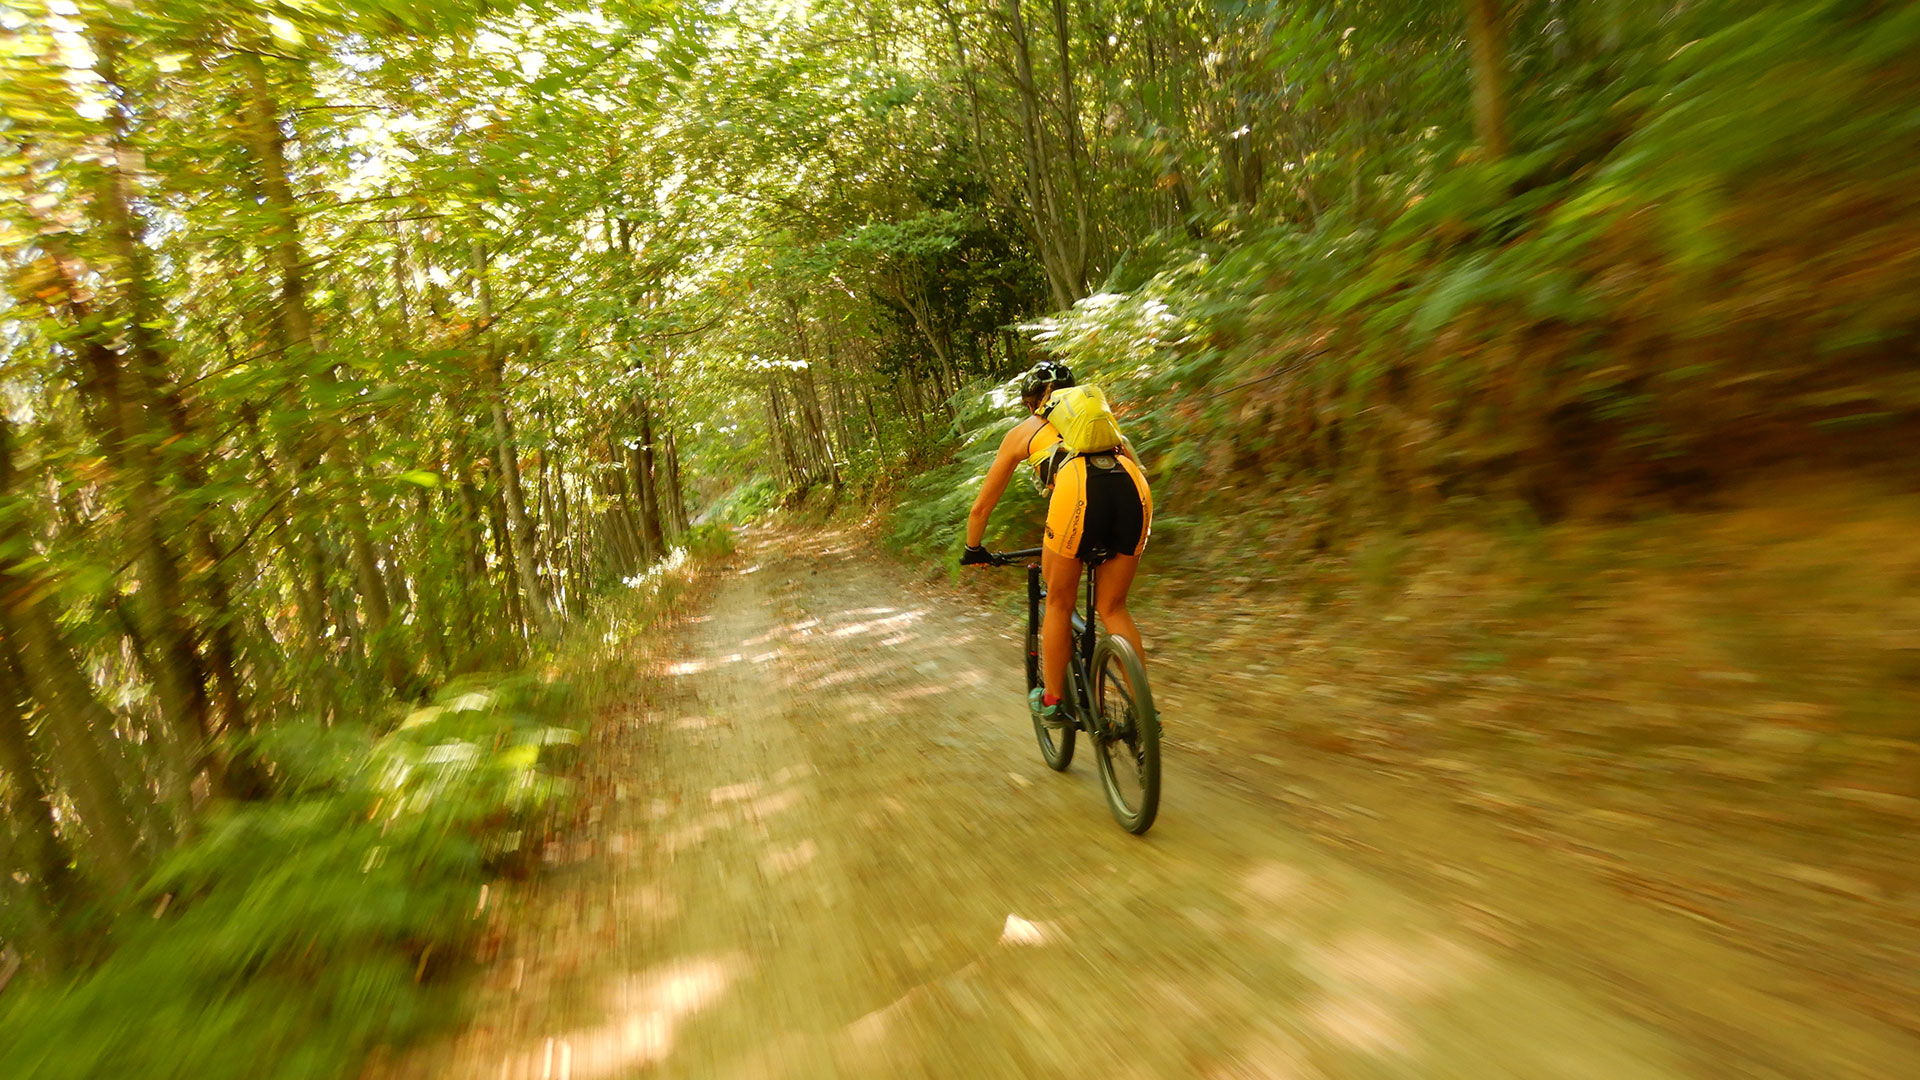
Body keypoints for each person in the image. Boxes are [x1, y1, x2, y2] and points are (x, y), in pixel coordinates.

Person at [960, 361, 1152, 725]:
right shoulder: (1103, 428)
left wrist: (973, 549)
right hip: (1133, 487)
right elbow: (1132, 470)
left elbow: (981, 506)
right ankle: (1145, 713)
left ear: (1033, 404)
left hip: (1077, 493)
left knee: (1060, 602)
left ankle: (1053, 701)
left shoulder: (1023, 432)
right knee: (1112, 608)